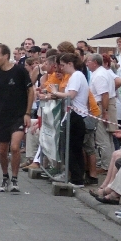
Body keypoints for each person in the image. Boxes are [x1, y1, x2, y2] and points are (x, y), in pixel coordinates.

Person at [0, 44, 34, 193]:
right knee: (2, 150)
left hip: (18, 115)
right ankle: (5, 176)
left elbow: (31, 91)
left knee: (14, 147)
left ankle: (14, 178)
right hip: (2, 116)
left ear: (6, 56)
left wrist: (27, 113)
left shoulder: (19, 71)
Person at [43, 53, 88, 187]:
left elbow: (71, 95)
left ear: (70, 64)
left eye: (63, 65)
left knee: (72, 148)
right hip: (74, 114)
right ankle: (77, 177)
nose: (61, 68)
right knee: (74, 148)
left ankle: (77, 178)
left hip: (76, 114)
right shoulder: (76, 76)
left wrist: (55, 92)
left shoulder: (76, 76)